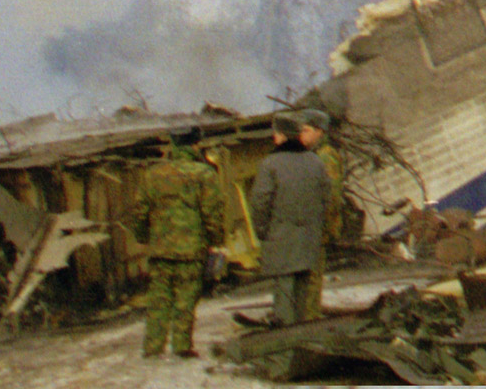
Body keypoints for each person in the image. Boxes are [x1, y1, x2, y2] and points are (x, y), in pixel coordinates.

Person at [128, 135, 226, 359]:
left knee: (158, 300)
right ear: (194, 145)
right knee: (186, 298)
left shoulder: (153, 175)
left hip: (160, 249)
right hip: (191, 249)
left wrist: (144, 238)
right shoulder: (204, 174)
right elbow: (212, 213)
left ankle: (153, 347)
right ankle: (182, 345)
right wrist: (216, 241)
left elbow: (139, 212)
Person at [246, 115, 332, 326]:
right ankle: (302, 339)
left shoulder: (270, 165)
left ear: (282, 136)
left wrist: (262, 231)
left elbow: (259, 202)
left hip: (281, 239)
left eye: (275, 133)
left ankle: (284, 346)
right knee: (303, 293)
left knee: (284, 294)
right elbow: (327, 200)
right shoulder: (316, 162)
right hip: (309, 240)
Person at [294, 111, 345, 319]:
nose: (301, 135)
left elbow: (330, 196)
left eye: (306, 130)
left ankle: (309, 321)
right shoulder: (313, 156)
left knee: (311, 282)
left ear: (319, 131)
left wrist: (322, 227)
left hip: (315, 229)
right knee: (306, 281)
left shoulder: (326, 157)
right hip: (308, 229)